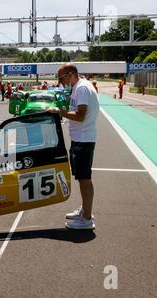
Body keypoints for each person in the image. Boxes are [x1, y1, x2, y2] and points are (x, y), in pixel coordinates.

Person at [47, 63, 99, 230]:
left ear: (70, 75)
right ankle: (85, 210)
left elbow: (81, 116)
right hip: (80, 138)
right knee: (81, 178)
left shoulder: (82, 89)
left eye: (61, 78)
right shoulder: (80, 86)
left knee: (84, 179)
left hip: (83, 139)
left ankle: (87, 218)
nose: (61, 82)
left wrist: (59, 112)